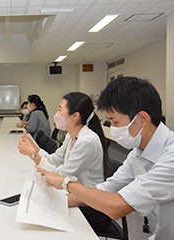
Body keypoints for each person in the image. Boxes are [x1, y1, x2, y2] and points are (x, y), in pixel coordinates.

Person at [37, 77, 174, 240]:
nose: (113, 129)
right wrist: (49, 203)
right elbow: (108, 187)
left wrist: (67, 183)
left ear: (142, 119)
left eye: (115, 122)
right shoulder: (137, 153)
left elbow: (117, 207)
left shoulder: (170, 155)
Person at [18, 92, 111, 232]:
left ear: (75, 116)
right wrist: (35, 149)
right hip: (75, 194)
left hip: (90, 206)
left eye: (60, 109)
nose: (57, 114)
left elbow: (59, 176)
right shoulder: (71, 136)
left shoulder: (87, 141)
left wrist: (33, 155)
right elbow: (53, 160)